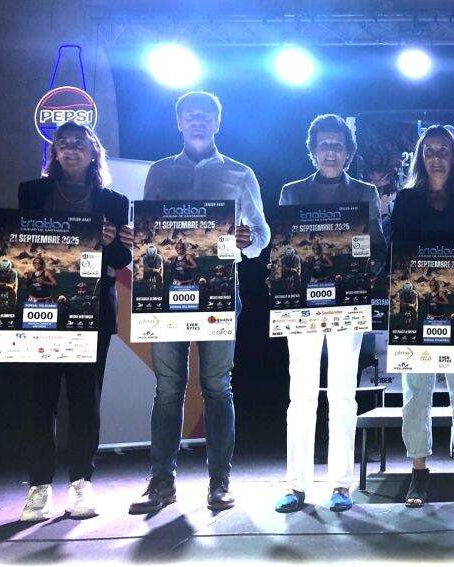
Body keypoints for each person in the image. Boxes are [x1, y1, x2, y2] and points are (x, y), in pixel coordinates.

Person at [125, 91, 269, 514]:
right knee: (168, 388)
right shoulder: (159, 171)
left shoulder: (241, 173)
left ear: (217, 123)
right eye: (191, 115)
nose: (198, 121)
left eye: (206, 115)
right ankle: (161, 482)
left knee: (217, 387)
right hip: (165, 294)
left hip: (219, 294)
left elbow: (262, 236)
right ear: (179, 122)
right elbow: (146, 229)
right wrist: (137, 235)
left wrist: (247, 240)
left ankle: (219, 481)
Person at [0, 121, 130, 521]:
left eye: (78, 143)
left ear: (93, 151)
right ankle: (39, 486)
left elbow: (121, 261)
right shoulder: (32, 191)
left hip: (92, 311)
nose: (70, 148)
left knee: (85, 400)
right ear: (54, 152)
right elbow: (17, 243)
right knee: (39, 398)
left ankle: (82, 482)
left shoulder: (114, 200)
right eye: (62, 143)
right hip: (39, 311)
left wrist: (113, 241)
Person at [273, 114, 386, 513]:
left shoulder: (366, 192)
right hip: (300, 306)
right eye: (324, 145)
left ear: (349, 152)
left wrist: (363, 270)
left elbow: (378, 248)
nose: (331, 152)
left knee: (342, 395)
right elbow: (283, 247)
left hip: (348, 302)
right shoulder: (292, 192)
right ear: (313, 150)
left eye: (338, 145)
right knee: (300, 395)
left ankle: (341, 485)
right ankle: (296, 486)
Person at [389, 125, 454, 507]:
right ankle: (418, 472)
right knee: (416, 395)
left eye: (443, 150)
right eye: (429, 150)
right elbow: (395, 256)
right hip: (414, 310)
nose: (436, 157)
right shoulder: (405, 199)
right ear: (420, 158)